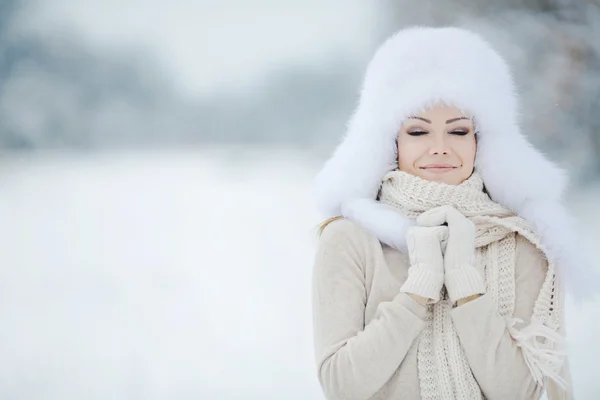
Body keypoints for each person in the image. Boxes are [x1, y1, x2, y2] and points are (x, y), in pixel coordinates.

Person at [311, 26, 598, 400]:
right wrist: (418, 289)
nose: (440, 148)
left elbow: (522, 392)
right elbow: (342, 385)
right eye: (418, 132)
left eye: (459, 131)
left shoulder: (523, 244)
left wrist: (464, 281)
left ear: (482, 140)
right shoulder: (349, 240)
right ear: (390, 141)